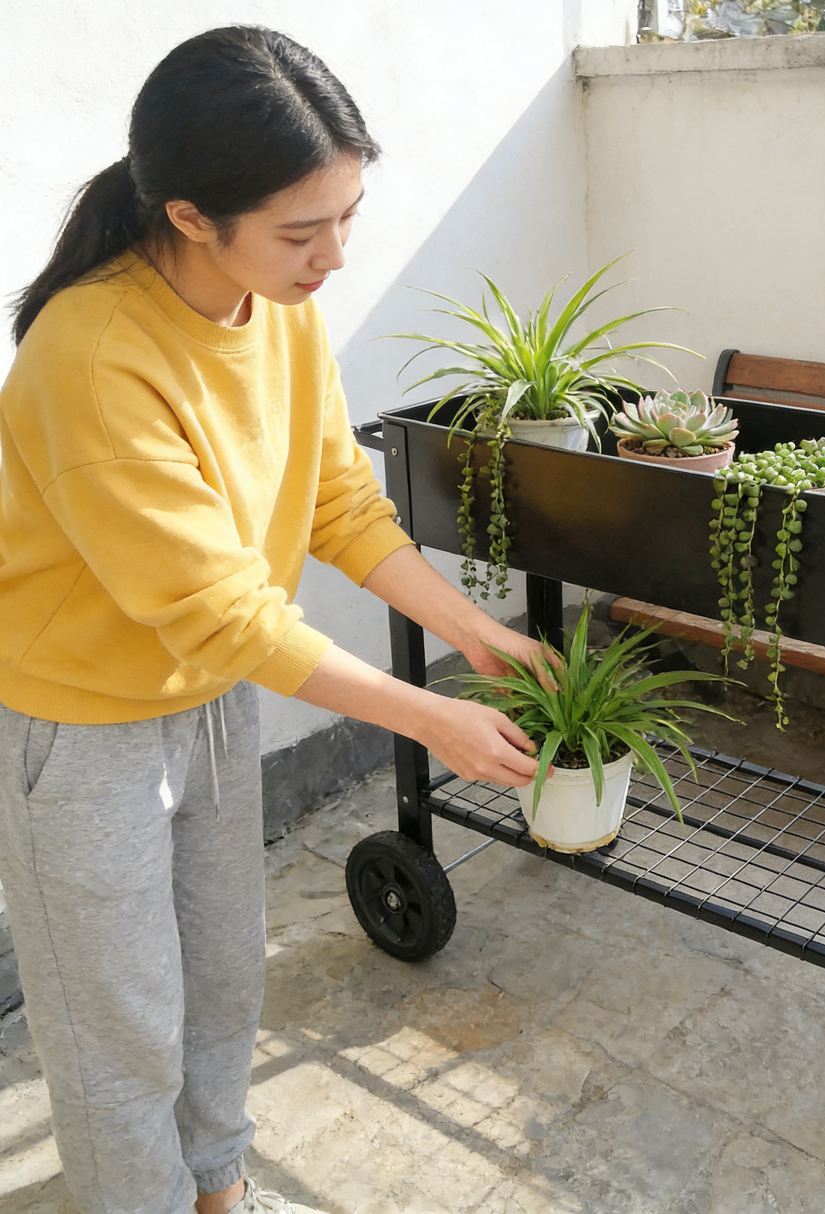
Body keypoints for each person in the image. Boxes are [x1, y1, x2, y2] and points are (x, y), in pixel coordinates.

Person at [0, 26, 546, 1214]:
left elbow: (338, 502)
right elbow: (223, 611)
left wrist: (482, 633)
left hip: (205, 704)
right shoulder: (90, 357)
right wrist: (428, 716)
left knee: (222, 978)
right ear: (191, 214)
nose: (335, 255)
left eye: (346, 215)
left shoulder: (274, 302)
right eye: (305, 230)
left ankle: (217, 1184)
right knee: (119, 1029)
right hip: (79, 732)